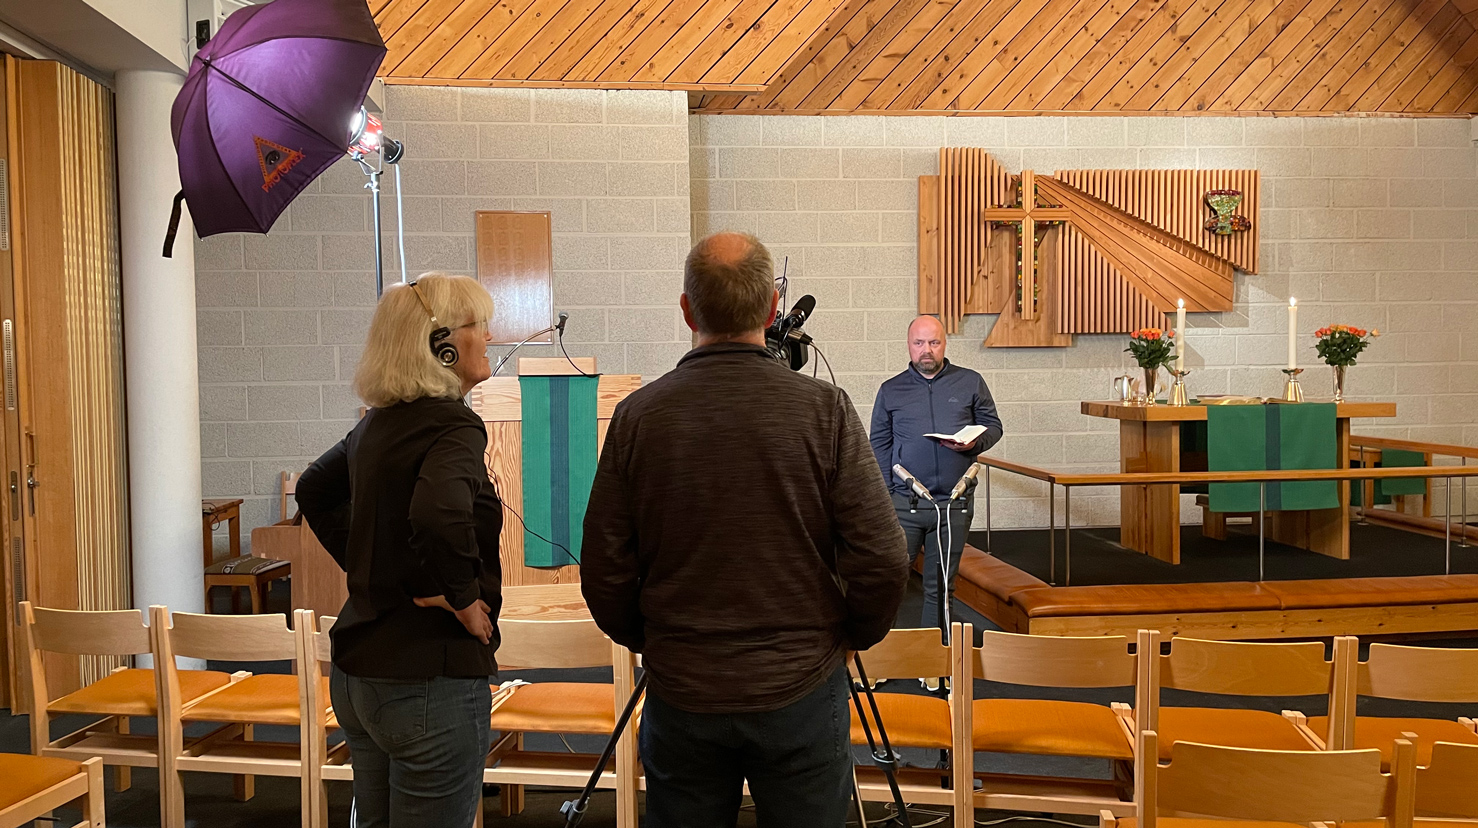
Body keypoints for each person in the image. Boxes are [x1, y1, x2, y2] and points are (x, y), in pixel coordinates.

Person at [581, 232, 909, 828]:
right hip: (802, 682)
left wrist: (649, 638)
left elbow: (603, 564)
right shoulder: (824, 411)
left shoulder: (638, 417)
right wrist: (849, 635)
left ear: (686, 311)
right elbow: (883, 556)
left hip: (683, 685)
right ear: (771, 311)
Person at [296, 272, 502, 828]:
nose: (489, 336)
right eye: (478, 325)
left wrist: (376, 570)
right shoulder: (454, 426)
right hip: (426, 681)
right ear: (443, 346)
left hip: (361, 675)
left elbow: (314, 490)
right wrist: (461, 596)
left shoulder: (377, 426)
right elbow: (437, 514)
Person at [870, 315, 1003, 641]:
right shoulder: (891, 390)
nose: (926, 350)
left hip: (953, 505)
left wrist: (975, 442)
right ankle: (889, 657)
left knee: (941, 585)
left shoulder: (970, 382)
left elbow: (993, 426)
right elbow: (879, 444)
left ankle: (932, 660)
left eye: (934, 342)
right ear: (909, 346)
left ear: (944, 344)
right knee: (889, 584)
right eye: (919, 343)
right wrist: (890, 495)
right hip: (906, 503)